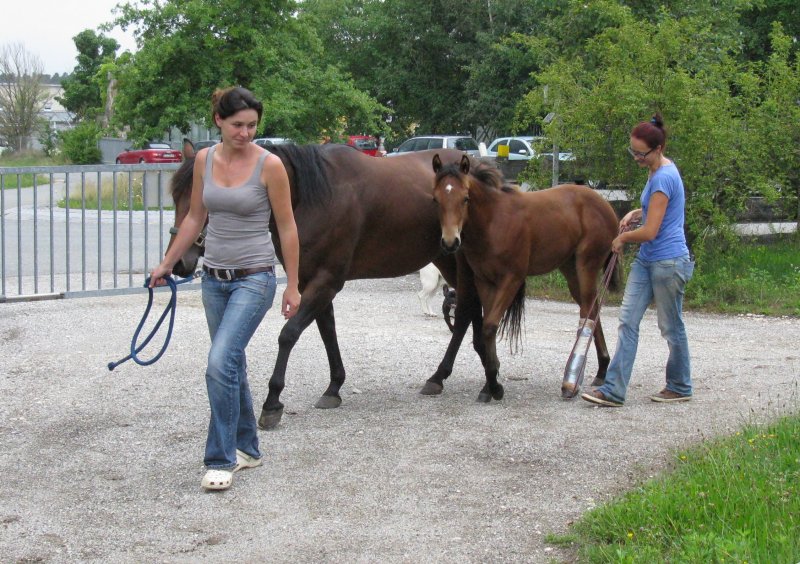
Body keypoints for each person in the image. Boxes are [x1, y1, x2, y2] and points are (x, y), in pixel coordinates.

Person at [149, 87, 301, 490]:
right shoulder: (204, 159)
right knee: (231, 364)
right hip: (214, 280)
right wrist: (167, 263)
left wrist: (294, 286)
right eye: (238, 125)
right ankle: (249, 448)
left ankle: (221, 458)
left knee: (219, 363)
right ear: (218, 120)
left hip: (255, 278)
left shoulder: (270, 166)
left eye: (252, 125)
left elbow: (286, 227)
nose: (246, 133)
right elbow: (196, 218)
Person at [581, 113, 694, 408]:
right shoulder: (657, 172)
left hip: (669, 263)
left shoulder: (664, 177)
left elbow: (651, 231)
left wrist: (622, 239)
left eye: (640, 153)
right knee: (627, 321)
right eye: (632, 151)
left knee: (670, 327)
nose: (636, 157)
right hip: (647, 261)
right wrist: (635, 213)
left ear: (657, 150)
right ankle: (614, 390)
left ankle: (680, 384)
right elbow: (656, 212)